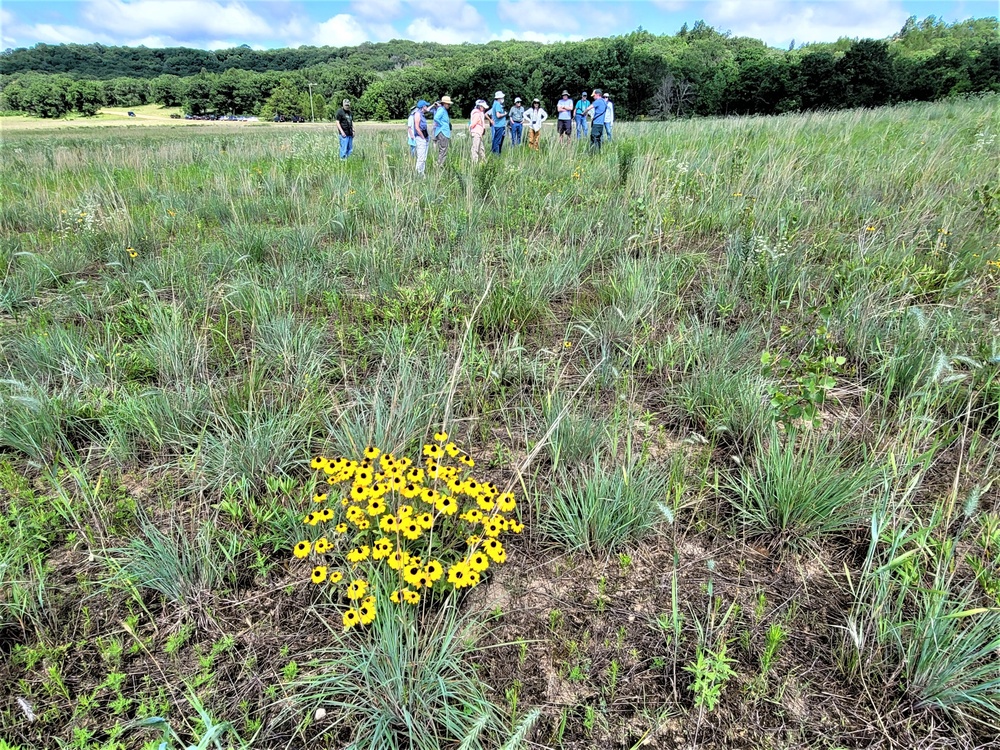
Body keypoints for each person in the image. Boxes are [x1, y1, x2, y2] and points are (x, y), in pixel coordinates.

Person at [433, 95, 453, 167]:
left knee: (443, 149)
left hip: (444, 131)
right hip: (443, 132)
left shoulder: (443, 110)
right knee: (443, 149)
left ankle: (440, 164)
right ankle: (439, 164)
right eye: (448, 104)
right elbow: (436, 118)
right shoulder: (441, 110)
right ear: (444, 103)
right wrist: (442, 125)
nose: (449, 105)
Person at [413, 100, 431, 175]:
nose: (427, 107)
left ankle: (422, 173)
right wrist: (423, 137)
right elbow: (417, 127)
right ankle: (418, 173)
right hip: (421, 138)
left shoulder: (422, 114)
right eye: (426, 105)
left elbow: (428, 109)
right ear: (423, 107)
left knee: (424, 158)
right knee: (421, 158)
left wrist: (433, 105)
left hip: (425, 137)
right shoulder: (417, 114)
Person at [469, 99, 488, 164]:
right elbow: (473, 123)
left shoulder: (480, 113)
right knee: (475, 148)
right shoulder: (476, 113)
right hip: (476, 132)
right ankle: (474, 163)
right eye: (483, 107)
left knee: (481, 149)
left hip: (479, 133)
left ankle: (484, 162)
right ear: (479, 106)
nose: (484, 108)